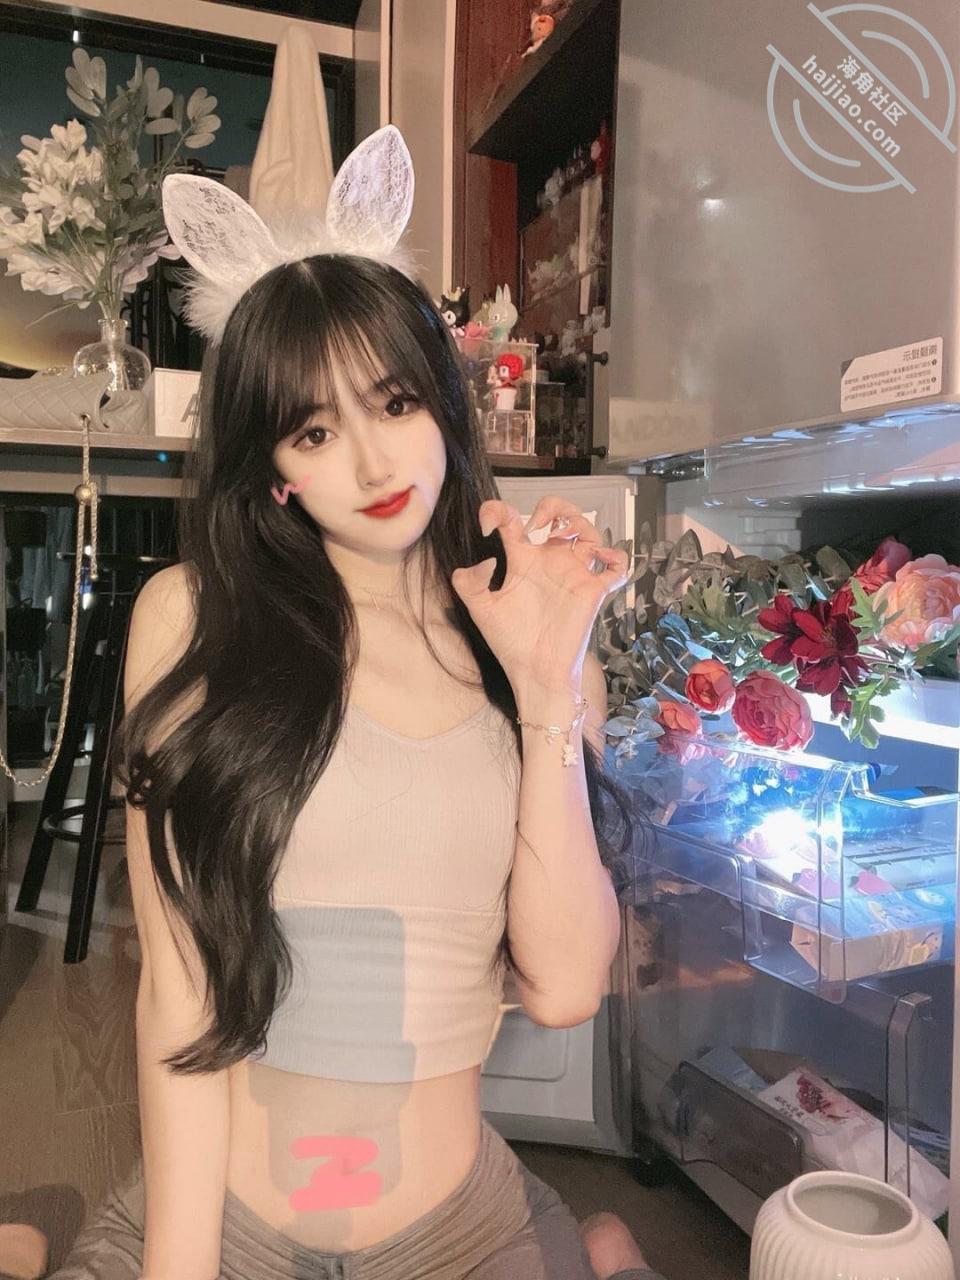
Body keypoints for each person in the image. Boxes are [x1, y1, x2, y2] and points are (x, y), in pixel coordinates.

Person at [35, 126, 664, 1280]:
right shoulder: (194, 617)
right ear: (275, 468)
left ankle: (603, 1245)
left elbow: (568, 986)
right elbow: (179, 987)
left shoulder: (531, 638)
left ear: (444, 404)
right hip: (226, 1218)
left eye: (395, 402)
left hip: (460, 1230)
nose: (375, 464)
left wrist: (545, 687)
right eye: (316, 430)